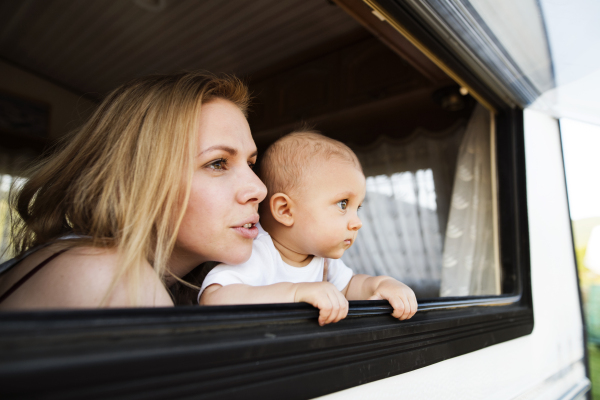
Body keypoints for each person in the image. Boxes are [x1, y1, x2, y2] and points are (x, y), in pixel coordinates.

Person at [0, 72, 267, 310]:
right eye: (217, 163)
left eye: (251, 163)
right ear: (139, 175)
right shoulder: (113, 277)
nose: (259, 188)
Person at [199, 132, 418, 325]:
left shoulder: (323, 261)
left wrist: (384, 284)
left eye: (357, 207)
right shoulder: (258, 253)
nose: (357, 222)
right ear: (285, 210)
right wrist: (295, 293)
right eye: (343, 204)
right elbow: (213, 299)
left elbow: (351, 286)